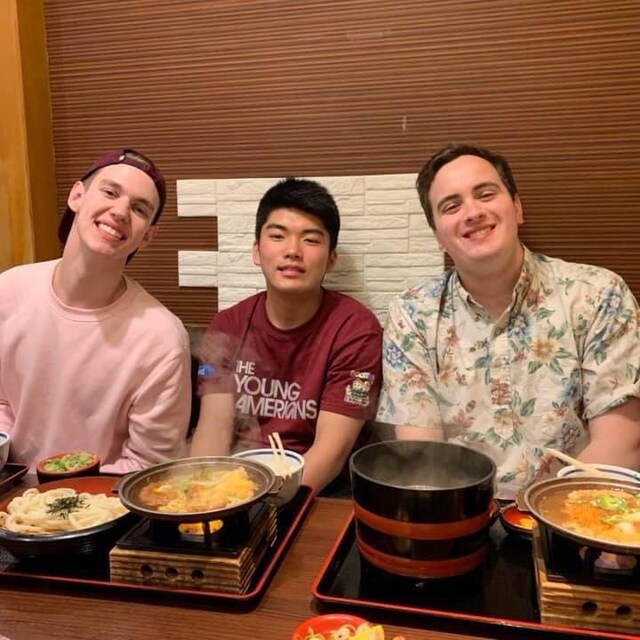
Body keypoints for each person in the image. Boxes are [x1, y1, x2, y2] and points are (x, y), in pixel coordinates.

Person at [377, 143, 640, 499]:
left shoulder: (597, 295)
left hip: (573, 511)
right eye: (451, 206)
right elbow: (423, 456)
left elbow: (621, 446)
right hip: (457, 511)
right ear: (438, 236)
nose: (473, 212)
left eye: (485, 194)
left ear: (517, 208)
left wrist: (539, 518)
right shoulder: (412, 314)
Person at [0, 148, 192, 473]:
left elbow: (148, 468)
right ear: (77, 195)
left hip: (100, 500)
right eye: (110, 192)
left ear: (147, 237)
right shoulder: (9, 291)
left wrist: (57, 496)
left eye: (139, 208)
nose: (120, 211)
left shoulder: (161, 340)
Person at [190, 177, 382, 493]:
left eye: (311, 239)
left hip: (317, 492)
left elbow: (331, 454)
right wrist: (201, 495)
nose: (292, 251)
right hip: (235, 483)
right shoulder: (227, 326)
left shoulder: (356, 331)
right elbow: (213, 430)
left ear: (331, 259)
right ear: (256, 251)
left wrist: (261, 505)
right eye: (278, 236)